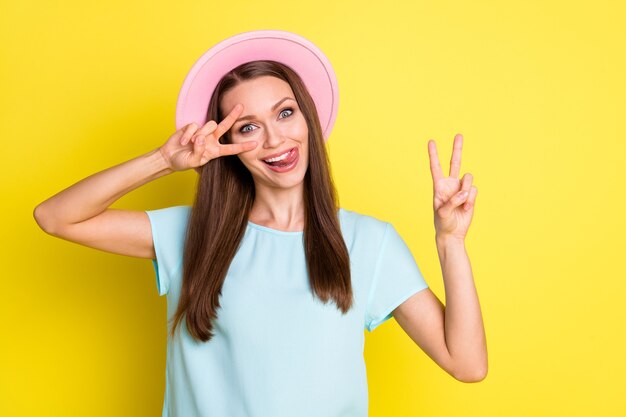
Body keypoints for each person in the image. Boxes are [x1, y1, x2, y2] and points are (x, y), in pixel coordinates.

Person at [33, 30, 487, 417]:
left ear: (307, 118)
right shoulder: (192, 235)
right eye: (248, 127)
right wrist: (163, 161)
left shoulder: (369, 242)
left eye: (285, 113)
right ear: (225, 142)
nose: (275, 139)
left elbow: (467, 364)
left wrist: (450, 243)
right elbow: (54, 217)